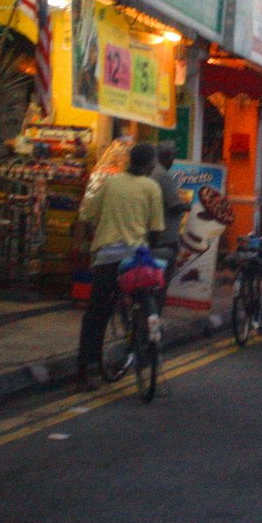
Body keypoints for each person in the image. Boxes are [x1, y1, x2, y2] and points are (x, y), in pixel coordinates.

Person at [74, 144, 166, 390]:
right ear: (150, 165)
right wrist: (148, 248)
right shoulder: (151, 187)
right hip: (135, 261)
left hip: (107, 258)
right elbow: (156, 231)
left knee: (96, 315)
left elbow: (87, 215)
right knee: (147, 299)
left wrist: (89, 241)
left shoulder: (110, 183)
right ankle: (147, 343)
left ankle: (84, 371)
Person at [150, 142, 187, 269]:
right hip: (164, 238)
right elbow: (175, 206)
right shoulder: (162, 175)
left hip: (151, 236)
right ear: (166, 157)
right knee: (162, 275)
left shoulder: (150, 171)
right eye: (172, 157)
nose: (173, 161)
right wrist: (187, 206)